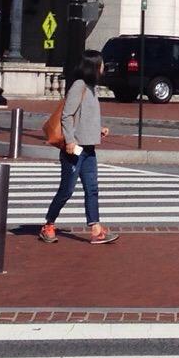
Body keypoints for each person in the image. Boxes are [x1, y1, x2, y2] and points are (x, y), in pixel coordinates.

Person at [40, 53, 117, 245]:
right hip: (74, 150)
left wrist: (97, 130)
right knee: (67, 190)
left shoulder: (91, 88)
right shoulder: (79, 86)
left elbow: (84, 117)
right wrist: (70, 140)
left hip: (89, 148)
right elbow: (67, 115)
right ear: (93, 66)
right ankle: (48, 224)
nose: (103, 68)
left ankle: (96, 229)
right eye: (101, 65)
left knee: (92, 189)